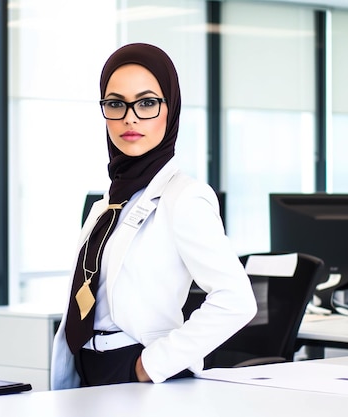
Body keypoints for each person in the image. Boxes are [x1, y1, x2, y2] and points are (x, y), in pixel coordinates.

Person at [50, 43, 257, 390]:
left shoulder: (185, 197)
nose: (130, 118)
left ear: (170, 109)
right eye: (116, 103)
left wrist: (149, 365)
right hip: (88, 370)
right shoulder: (107, 205)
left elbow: (236, 299)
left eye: (147, 103)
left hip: (135, 370)